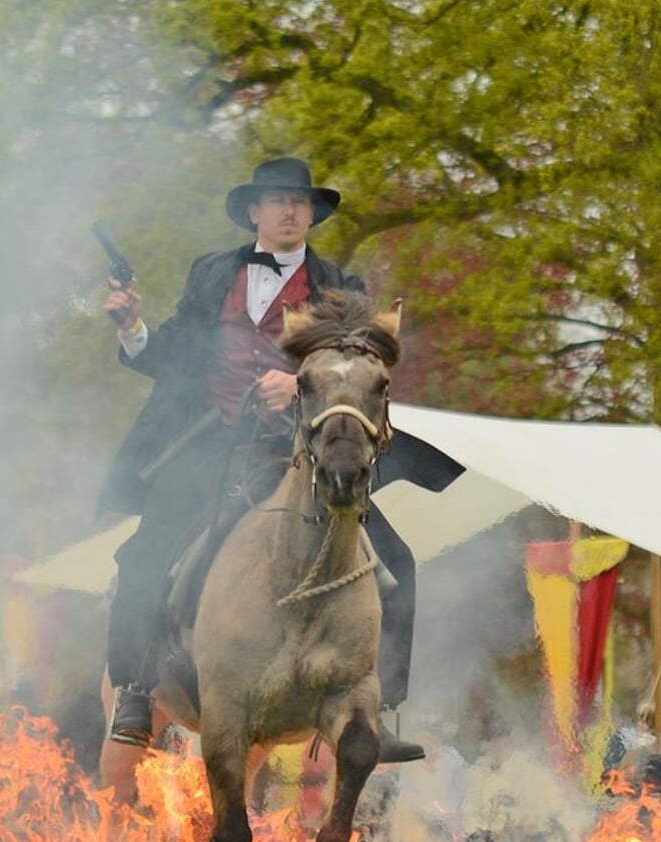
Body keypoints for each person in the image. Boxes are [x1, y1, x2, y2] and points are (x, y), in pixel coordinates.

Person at [96, 157, 462, 771]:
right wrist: (131, 327)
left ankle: (383, 712)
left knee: (399, 563)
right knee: (139, 556)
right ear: (253, 213)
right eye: (278, 201)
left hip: (297, 453)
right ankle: (133, 695)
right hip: (210, 447)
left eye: (301, 203)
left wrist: (297, 383)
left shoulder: (341, 286)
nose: (292, 211)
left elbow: (357, 368)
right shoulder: (212, 273)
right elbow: (172, 356)